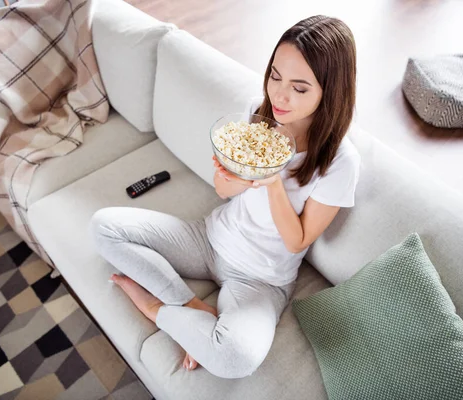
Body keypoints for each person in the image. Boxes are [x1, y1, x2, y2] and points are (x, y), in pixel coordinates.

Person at [89, 15, 361, 379]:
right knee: (104, 226)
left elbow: (297, 241)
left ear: (330, 91)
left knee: (235, 358)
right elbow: (224, 191)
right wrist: (231, 174)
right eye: (275, 75)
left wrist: (272, 178)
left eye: (299, 88)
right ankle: (190, 305)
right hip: (210, 239)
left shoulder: (340, 162)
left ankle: (156, 308)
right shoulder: (258, 113)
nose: (278, 95)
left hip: (262, 280)